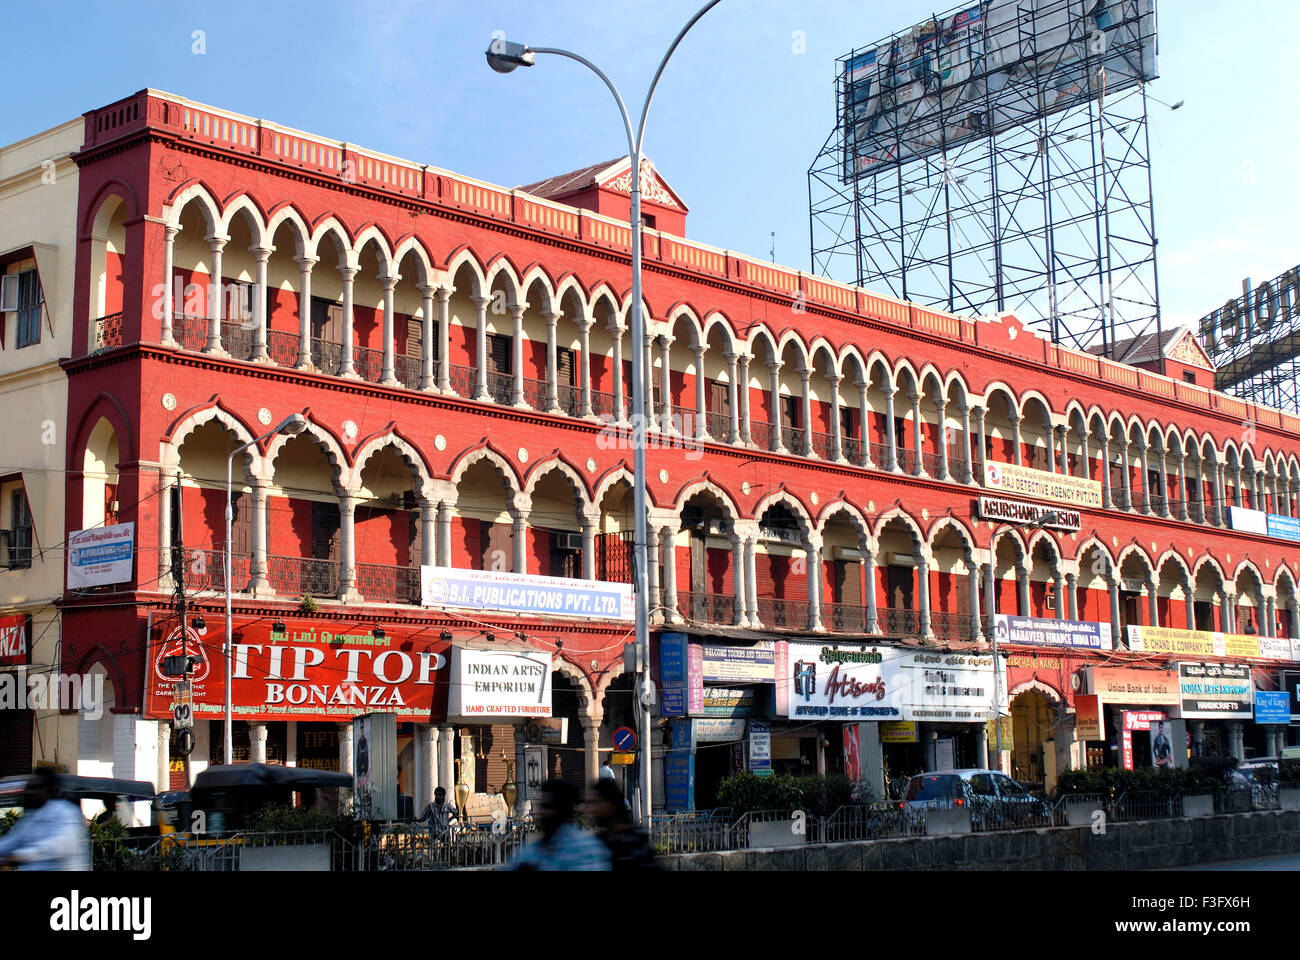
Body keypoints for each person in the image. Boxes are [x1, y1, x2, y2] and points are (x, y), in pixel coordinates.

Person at [509, 779, 609, 871]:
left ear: (561, 810)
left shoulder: (584, 849)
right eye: (541, 806)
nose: (542, 812)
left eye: (548, 806)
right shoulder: (533, 850)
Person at [0, 768, 90, 871]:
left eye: (36, 788)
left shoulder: (66, 812)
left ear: (49, 789)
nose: (30, 792)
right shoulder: (31, 816)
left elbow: (60, 845)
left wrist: (20, 856)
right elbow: (14, 840)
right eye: (29, 788)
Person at [588, 779, 658, 871]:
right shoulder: (599, 841)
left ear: (610, 803)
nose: (592, 809)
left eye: (596, 802)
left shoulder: (636, 840)